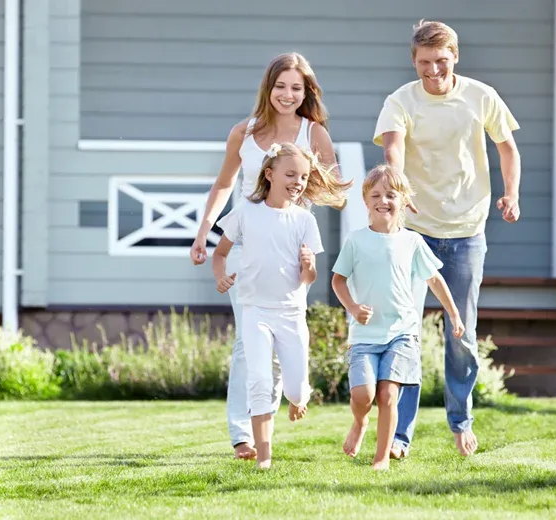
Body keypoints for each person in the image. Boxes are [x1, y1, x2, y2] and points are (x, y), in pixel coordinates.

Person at [372, 20, 521, 458]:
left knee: (462, 333)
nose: (433, 71)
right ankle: (400, 435)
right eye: (424, 63)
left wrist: (511, 195)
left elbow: (507, 148)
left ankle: (461, 421)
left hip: (467, 230)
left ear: (455, 56)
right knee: (404, 333)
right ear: (413, 61)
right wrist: (400, 186)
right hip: (415, 231)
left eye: (440, 61)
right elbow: (392, 148)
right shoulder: (401, 100)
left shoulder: (480, 95)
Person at [190, 53, 343, 461]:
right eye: (280, 86)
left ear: (306, 92)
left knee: (279, 344)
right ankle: (244, 434)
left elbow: (334, 188)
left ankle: (268, 422)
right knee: (248, 341)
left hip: (289, 253)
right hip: (243, 247)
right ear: (268, 88)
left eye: (296, 88)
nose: (287, 95)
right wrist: (205, 229)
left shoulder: (315, 135)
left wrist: (297, 195)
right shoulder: (243, 132)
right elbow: (224, 184)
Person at [212, 142, 351, 469]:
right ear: (269, 174)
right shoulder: (246, 211)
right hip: (255, 311)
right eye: (291, 174)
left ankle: (299, 398)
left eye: (303, 176)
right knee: (258, 379)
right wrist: (221, 276)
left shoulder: (304, 220)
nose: (298, 182)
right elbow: (219, 253)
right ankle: (264, 457)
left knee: (295, 389)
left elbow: (309, 278)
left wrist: (308, 265)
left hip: (291, 314)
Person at [332, 165, 464, 470]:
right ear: (366, 201)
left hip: (401, 333)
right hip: (364, 334)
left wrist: (454, 315)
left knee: (388, 394)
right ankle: (359, 421)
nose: (383, 200)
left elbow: (435, 280)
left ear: (404, 200)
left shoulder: (412, 242)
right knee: (363, 396)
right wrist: (352, 307)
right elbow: (338, 280)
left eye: (391, 195)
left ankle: (381, 458)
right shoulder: (355, 240)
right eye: (376, 195)